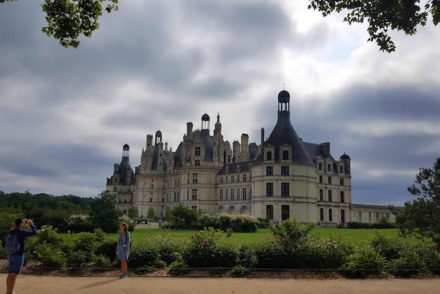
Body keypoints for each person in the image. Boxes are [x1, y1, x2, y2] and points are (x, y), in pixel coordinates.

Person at [6, 218, 38, 294]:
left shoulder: (12, 230)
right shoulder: (21, 231)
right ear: (20, 224)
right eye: (23, 223)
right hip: (18, 255)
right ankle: (11, 292)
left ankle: (8, 291)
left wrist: (20, 223)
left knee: (11, 273)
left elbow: (15, 227)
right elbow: (35, 232)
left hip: (11, 254)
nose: (24, 224)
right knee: (14, 274)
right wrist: (31, 224)